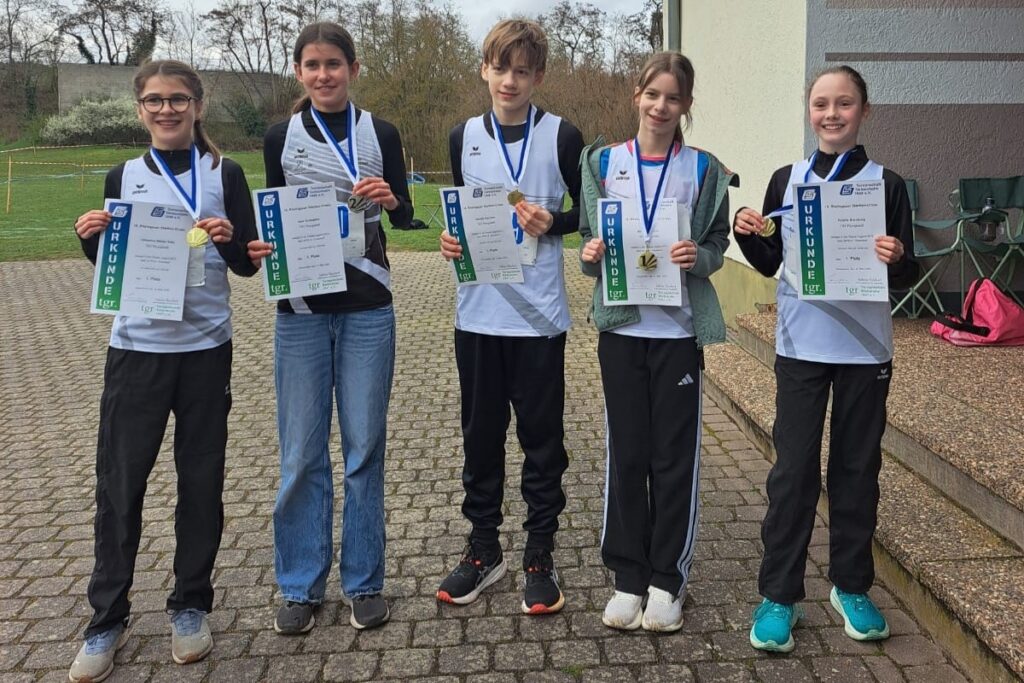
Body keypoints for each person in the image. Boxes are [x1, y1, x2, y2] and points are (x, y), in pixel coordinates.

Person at [69, 60, 258, 683]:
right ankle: (106, 618)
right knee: (120, 485)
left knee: (200, 482)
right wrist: (90, 236)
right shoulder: (122, 175)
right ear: (140, 109)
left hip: (205, 349)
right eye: (154, 100)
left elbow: (248, 265)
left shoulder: (225, 173)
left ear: (197, 106)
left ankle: (190, 605)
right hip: (136, 350)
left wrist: (229, 239)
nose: (167, 109)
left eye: (178, 99)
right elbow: (113, 262)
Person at [733, 65, 916, 652]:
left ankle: (851, 586)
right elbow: (769, 261)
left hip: (865, 350)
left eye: (844, 103)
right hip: (801, 346)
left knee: (856, 471)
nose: (831, 114)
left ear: (864, 111)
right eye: (821, 104)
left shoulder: (889, 185)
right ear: (809, 111)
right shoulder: (785, 180)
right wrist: (746, 232)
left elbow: (907, 273)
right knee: (793, 472)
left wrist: (897, 256)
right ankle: (779, 595)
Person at [247, 21, 412, 634]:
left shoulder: (381, 133)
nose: (323, 74)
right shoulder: (279, 137)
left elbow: (407, 218)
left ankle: (364, 581)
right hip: (301, 312)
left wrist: (392, 201)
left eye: (334, 64)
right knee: (301, 454)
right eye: (312, 65)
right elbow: (273, 213)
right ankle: (299, 585)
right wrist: (262, 245)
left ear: (353, 69)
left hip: (368, 305)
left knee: (364, 449)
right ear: (299, 72)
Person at [578, 51, 735, 632]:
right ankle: (627, 576)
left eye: (673, 97)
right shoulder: (603, 163)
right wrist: (590, 254)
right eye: (652, 94)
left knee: (674, 458)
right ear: (636, 96)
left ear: (686, 105)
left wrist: (701, 257)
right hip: (622, 333)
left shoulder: (704, 169)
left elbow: (717, 243)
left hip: (676, 335)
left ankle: (667, 580)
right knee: (627, 454)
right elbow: (590, 242)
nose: (661, 106)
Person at [436, 18, 584, 615]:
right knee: (480, 439)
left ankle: (540, 553)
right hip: (477, 317)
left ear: (538, 76)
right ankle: (483, 549)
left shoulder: (563, 136)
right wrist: (450, 241)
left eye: (522, 71)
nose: (510, 81)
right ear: (484, 69)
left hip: (539, 320)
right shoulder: (462, 136)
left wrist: (555, 222)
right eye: (501, 68)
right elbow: (461, 216)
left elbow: (591, 215)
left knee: (542, 442)